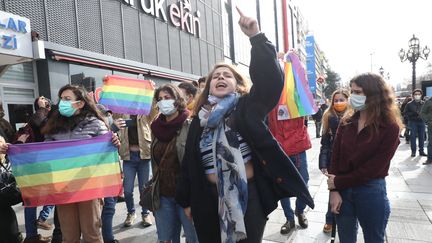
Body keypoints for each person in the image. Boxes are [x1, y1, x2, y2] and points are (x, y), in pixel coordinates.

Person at [176, 9, 313, 243]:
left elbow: (270, 81)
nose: (220, 77)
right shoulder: (200, 118)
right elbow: (189, 162)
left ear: (237, 84)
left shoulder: (248, 107)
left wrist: (256, 37)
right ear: (208, 87)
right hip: (207, 200)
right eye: (215, 76)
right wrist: (186, 201)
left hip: (249, 198)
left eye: (226, 75)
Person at [327, 73, 402, 243]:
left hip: (371, 190)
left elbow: (374, 168)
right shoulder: (347, 121)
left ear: (374, 95)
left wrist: (338, 182)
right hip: (343, 191)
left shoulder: (390, 127)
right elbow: (335, 157)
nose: (353, 96)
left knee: (374, 239)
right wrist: (334, 191)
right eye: (352, 91)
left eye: (358, 92)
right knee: (345, 239)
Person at [39, 84, 119, 243]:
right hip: (63, 187)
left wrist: (115, 142)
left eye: (67, 99)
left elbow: (106, 153)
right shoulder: (54, 127)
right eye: (61, 99)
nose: (62, 102)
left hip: (88, 186)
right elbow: (46, 153)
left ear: (80, 103)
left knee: (92, 235)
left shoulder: (96, 124)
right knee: (69, 237)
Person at [150, 83, 198, 243]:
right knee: (166, 239)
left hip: (187, 195)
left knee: (193, 238)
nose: (163, 102)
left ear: (177, 99)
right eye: (160, 99)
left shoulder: (190, 125)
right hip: (163, 194)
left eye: (167, 98)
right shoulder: (156, 127)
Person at [14, 96, 55, 243]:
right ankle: (32, 236)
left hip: (42, 166)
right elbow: (39, 123)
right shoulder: (36, 120)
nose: (43, 100)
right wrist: (42, 108)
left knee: (49, 197)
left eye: (45, 100)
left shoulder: (50, 119)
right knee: (32, 202)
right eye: (41, 100)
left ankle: (36, 228)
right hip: (36, 167)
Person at [114, 104, 157, 228]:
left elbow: (155, 110)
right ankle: (131, 213)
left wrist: (152, 92)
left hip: (144, 156)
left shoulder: (145, 113)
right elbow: (114, 114)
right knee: (127, 190)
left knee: (144, 189)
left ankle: (145, 213)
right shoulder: (122, 113)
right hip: (128, 157)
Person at [268, 114, 311, 235]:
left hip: (298, 146)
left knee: (304, 181)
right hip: (278, 147)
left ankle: (300, 210)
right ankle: (289, 218)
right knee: (282, 184)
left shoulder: (298, 96)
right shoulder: (271, 98)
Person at [318, 89, 351, 233]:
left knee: (348, 191)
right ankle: (329, 220)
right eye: (336, 100)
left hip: (349, 159)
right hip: (333, 160)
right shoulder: (328, 116)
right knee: (334, 190)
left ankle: (347, 219)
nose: (338, 103)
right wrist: (323, 163)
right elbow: (325, 144)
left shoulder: (354, 116)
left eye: (342, 99)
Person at [0, 135, 23, 243]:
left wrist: (15, 149)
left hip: (5, 207)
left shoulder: (12, 161)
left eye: (1, 142)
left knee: (12, 237)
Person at [403, 89, 427, 157]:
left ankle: (421, 151)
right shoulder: (409, 104)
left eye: (419, 94)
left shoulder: (424, 103)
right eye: (416, 94)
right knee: (413, 137)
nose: (417, 95)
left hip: (421, 122)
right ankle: (413, 152)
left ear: (421, 95)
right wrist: (413, 114)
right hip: (413, 122)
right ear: (413, 95)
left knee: (421, 137)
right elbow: (405, 113)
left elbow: (427, 112)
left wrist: (424, 117)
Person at [420, 97, 432, 164]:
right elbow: (422, 113)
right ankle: (429, 159)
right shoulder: (428, 102)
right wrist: (428, 121)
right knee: (431, 143)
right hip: (431, 125)